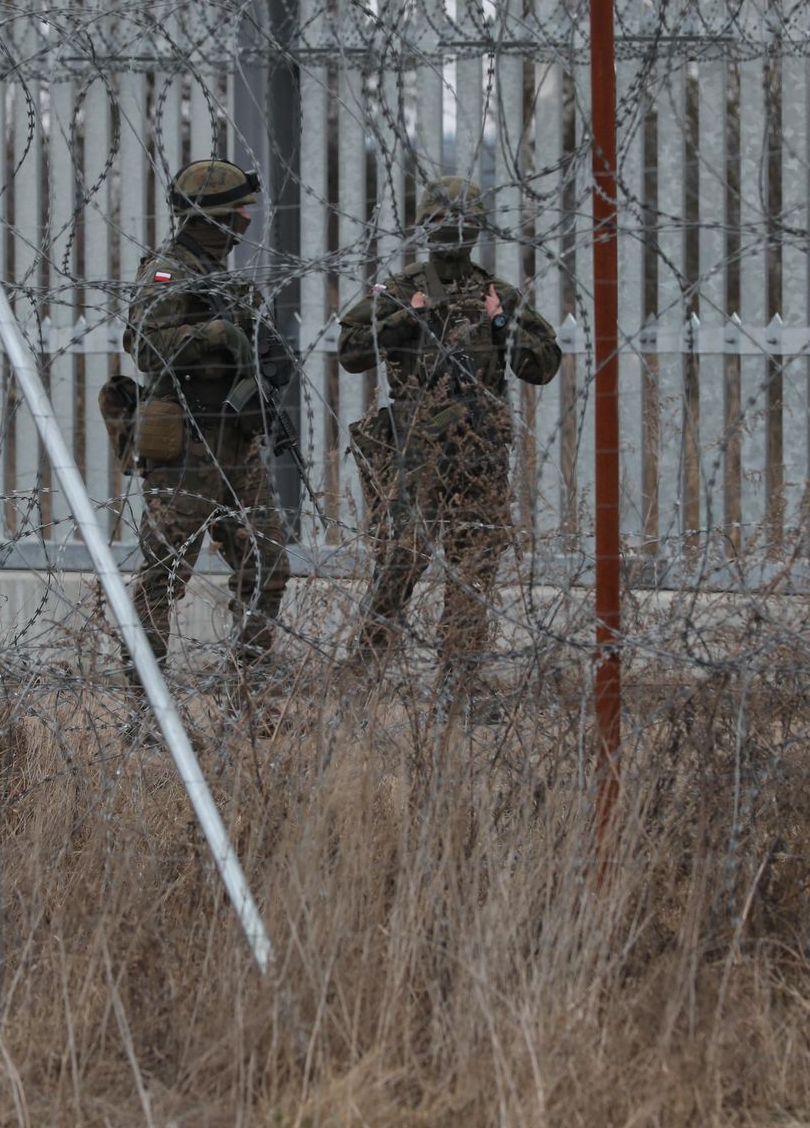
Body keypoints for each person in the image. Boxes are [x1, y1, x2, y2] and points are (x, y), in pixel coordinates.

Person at [337, 176, 562, 716]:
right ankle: (361, 676)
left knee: (474, 564)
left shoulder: (496, 293)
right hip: (417, 450)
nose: (450, 235)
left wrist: (501, 323)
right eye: (439, 224)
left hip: (479, 450)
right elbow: (350, 352)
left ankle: (456, 689)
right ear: (424, 229)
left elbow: (543, 365)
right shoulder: (399, 287)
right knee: (401, 562)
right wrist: (406, 316)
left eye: (460, 224)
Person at [105, 158, 292, 735]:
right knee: (163, 575)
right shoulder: (169, 272)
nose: (244, 222)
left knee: (267, 565)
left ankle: (246, 700)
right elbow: (146, 346)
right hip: (185, 446)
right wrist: (215, 333)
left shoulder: (225, 276)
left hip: (237, 442)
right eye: (238, 212)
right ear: (213, 217)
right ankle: (147, 712)